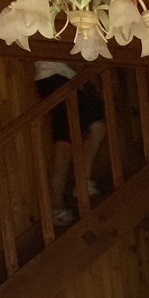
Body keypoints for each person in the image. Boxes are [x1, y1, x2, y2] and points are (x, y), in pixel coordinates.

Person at [37, 61, 108, 227]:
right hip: (57, 78)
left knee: (67, 143)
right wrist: (91, 77)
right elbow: (69, 56)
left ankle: (60, 204)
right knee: (91, 129)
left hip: (56, 79)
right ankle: (79, 185)